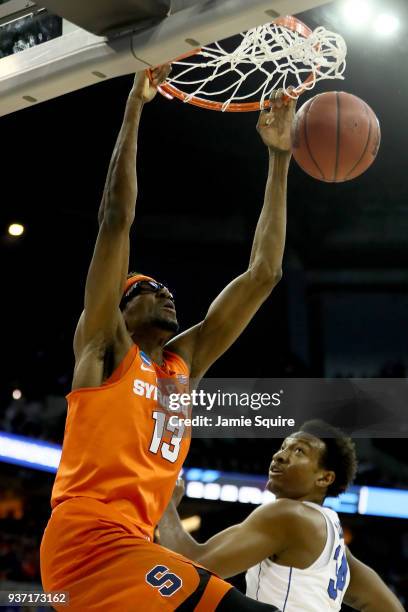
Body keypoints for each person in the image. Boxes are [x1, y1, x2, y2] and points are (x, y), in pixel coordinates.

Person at [39, 66, 295, 611]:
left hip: (135, 545)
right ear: (120, 309)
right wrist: (135, 106)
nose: (165, 293)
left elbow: (264, 273)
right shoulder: (105, 350)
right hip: (88, 541)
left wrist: (278, 157)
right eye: (147, 289)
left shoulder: (184, 365)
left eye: (167, 288)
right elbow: (116, 219)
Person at [159, 420, 405, 612]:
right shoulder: (334, 541)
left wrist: (165, 502)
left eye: (299, 451)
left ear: (324, 478)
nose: (280, 455)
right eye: (283, 447)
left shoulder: (288, 514)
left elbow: (193, 566)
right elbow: (387, 607)